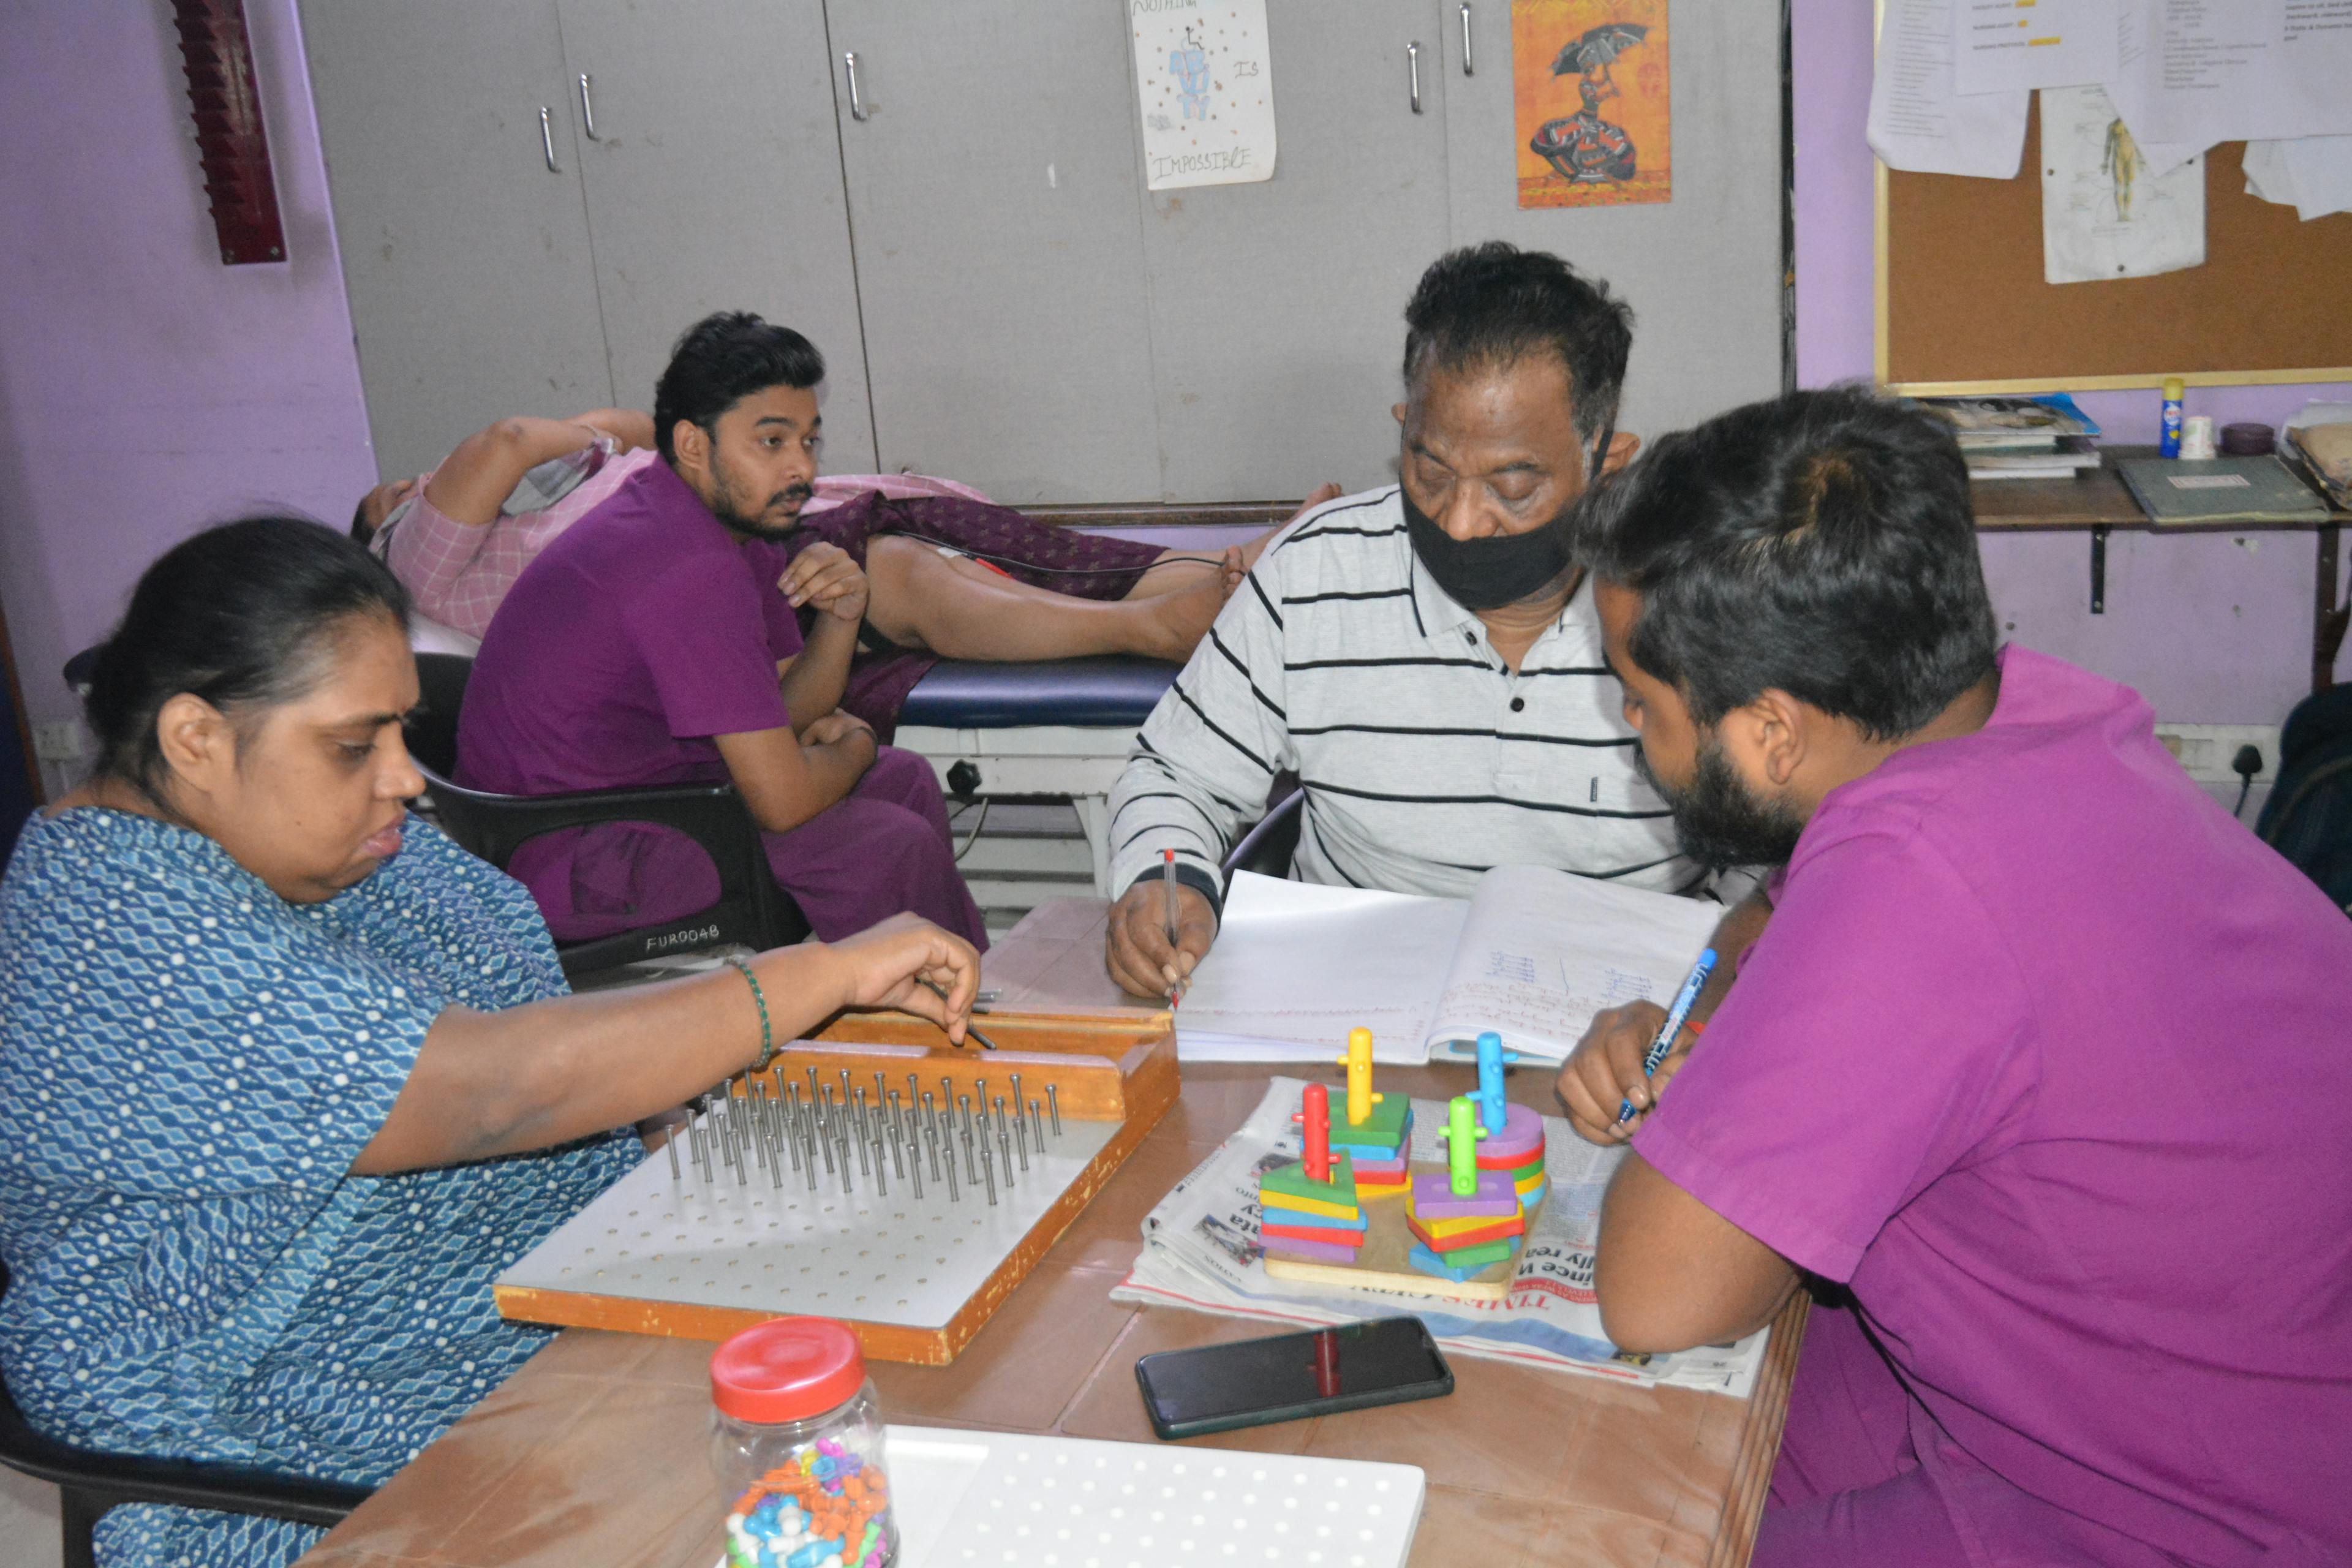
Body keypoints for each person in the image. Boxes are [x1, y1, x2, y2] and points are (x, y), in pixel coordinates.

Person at [0, 518, 979, 1568]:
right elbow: (490, 1090)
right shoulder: (112, 921)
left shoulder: (328, 853)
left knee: (936, 1385)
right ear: (194, 739)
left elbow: (513, 1020)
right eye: (353, 745)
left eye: (401, 734)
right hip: (297, 1425)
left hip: (531, 1321)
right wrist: (814, 973)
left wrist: (669, 1133)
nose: (406, 779)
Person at [1551, 388, 2352, 1567]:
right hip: (2201, 1378)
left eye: (1645, 702)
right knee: (1632, 1458)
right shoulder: (2020, 716)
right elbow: (1775, 910)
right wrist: (1720, 1011)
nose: (1630, 726)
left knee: (1593, 1521)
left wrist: (1718, 1093)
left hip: (2181, 1507)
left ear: (1772, 734)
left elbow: (1660, 1294)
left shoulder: (1912, 885)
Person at [1102, 241, 1691, 1001]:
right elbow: (1174, 774)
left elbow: (1778, 857)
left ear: (1607, 461)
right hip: (1355, 1006)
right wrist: (1162, 876)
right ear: (1402, 427)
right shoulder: (1318, 573)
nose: (1463, 521)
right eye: (1431, 471)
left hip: (1623, 1015)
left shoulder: (1684, 599)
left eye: (1513, 486)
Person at [456, 315, 990, 949]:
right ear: (692, 445)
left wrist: (844, 616)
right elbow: (784, 803)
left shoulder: (730, 526)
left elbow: (792, 706)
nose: (801, 469)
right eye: (771, 443)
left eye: (809, 442)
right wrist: (859, 743)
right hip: (576, 858)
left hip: (657, 804)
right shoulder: (686, 564)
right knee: (886, 843)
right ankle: (938, 1025)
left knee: (905, 782)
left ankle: (911, 1010)